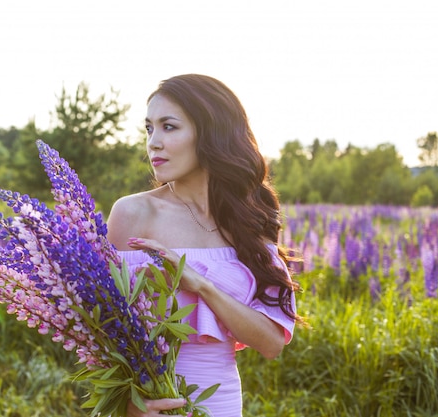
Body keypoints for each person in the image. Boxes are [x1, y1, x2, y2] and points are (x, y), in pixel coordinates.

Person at [106, 74, 301, 417]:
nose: (153, 142)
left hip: (222, 404)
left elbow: (271, 343)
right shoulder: (132, 213)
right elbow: (101, 332)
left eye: (169, 127)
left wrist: (201, 286)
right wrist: (131, 407)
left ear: (210, 132)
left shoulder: (247, 221)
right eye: (149, 128)